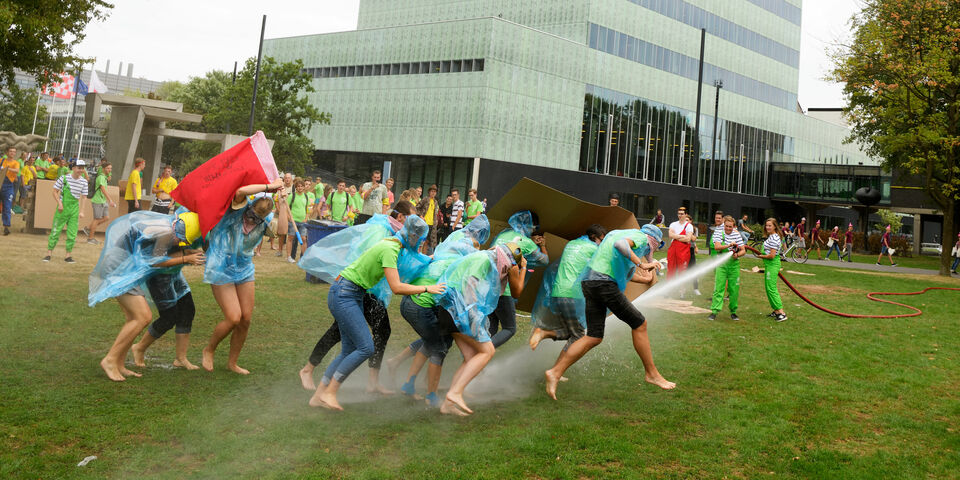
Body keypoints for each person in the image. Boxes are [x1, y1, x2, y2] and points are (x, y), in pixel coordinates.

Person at [308, 214, 443, 411]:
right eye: (420, 240)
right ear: (414, 237)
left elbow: (411, 261)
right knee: (366, 347)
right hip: (345, 293)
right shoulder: (390, 249)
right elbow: (396, 287)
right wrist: (426, 289)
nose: (420, 244)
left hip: (348, 292)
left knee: (348, 350)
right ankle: (330, 392)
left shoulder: (394, 244)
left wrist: (429, 259)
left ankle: (318, 395)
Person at [544, 225, 674, 401]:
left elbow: (624, 272)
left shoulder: (618, 234)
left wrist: (646, 275)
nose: (649, 251)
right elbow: (621, 245)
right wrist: (642, 263)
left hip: (590, 283)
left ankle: (555, 372)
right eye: (655, 246)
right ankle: (652, 374)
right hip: (603, 283)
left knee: (594, 336)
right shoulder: (639, 237)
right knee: (639, 323)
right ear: (652, 239)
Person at [89, 211, 204, 381]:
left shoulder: (169, 227)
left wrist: (186, 254)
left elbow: (156, 255)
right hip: (118, 268)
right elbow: (155, 262)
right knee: (143, 317)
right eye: (181, 239)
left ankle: (120, 364)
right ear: (177, 229)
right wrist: (185, 259)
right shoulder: (166, 232)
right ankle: (110, 360)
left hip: (124, 267)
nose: (179, 243)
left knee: (132, 318)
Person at [201, 178, 285, 374]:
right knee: (233, 317)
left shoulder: (264, 219)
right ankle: (209, 350)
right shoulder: (238, 208)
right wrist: (269, 187)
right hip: (221, 265)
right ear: (250, 206)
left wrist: (281, 200)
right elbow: (241, 190)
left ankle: (233, 363)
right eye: (252, 215)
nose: (252, 220)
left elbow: (282, 230)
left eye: (258, 218)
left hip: (244, 268)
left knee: (246, 318)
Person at [432, 242, 527, 415]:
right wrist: (474, 317)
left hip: (452, 310)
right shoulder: (484, 259)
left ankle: (447, 405)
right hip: (457, 310)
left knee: (471, 355)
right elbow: (470, 284)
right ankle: (455, 393)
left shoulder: (486, 258)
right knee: (487, 351)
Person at [529, 224, 607, 350]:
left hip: (558, 293)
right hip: (570, 295)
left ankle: (545, 337)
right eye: (601, 240)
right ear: (593, 237)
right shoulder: (593, 249)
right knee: (578, 335)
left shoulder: (572, 244)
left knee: (573, 332)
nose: (602, 244)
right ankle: (545, 337)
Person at [489, 211, 549, 347]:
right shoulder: (527, 243)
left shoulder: (503, 234)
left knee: (491, 327)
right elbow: (544, 261)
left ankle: (478, 360)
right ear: (529, 226)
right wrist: (542, 245)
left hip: (489, 287)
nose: (534, 231)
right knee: (509, 329)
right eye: (535, 228)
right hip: (505, 290)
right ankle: (483, 351)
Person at [43, 160, 88, 263]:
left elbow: (84, 197)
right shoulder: (63, 178)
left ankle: (68, 256)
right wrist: (59, 203)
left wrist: (82, 211)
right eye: (78, 167)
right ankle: (48, 253)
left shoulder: (84, 182)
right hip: (62, 208)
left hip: (74, 209)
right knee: (56, 230)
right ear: (73, 168)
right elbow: (54, 192)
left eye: (82, 168)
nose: (80, 170)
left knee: (72, 233)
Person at [708, 215, 746, 321]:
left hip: (734, 265)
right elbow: (717, 246)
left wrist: (737, 255)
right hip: (722, 265)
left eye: (730, 227)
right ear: (724, 225)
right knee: (718, 288)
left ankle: (733, 312)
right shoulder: (719, 233)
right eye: (727, 226)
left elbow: (743, 250)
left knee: (734, 290)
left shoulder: (737, 235)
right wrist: (729, 245)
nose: (728, 228)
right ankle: (714, 311)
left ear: (733, 226)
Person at [755, 218, 787, 322]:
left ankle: (781, 313)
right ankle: (776, 311)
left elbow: (772, 256)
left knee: (772, 288)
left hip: (772, 264)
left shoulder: (775, 238)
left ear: (774, 226)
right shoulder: (772, 236)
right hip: (769, 265)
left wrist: (760, 256)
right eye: (766, 225)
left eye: (770, 225)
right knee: (769, 288)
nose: (767, 227)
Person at [84, 161, 117, 244]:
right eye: (108, 168)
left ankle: (88, 228)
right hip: (98, 201)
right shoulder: (101, 177)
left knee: (106, 217)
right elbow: (103, 189)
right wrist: (110, 200)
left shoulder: (105, 177)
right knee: (97, 219)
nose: (110, 170)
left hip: (103, 200)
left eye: (111, 168)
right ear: (103, 169)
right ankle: (90, 239)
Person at [667, 208, 694, 297]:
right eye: (679, 213)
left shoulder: (689, 226)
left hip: (683, 251)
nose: (680, 215)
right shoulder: (673, 224)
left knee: (682, 270)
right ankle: (669, 291)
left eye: (682, 214)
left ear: (686, 214)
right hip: (673, 250)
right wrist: (682, 236)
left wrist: (676, 236)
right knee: (671, 269)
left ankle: (682, 292)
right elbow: (670, 235)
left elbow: (688, 239)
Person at [286, 178, 311, 262]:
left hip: (303, 222)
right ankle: (289, 257)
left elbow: (308, 209)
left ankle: (304, 258)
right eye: (298, 186)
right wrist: (289, 217)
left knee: (304, 239)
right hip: (293, 221)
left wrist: (306, 218)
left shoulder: (306, 196)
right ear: (296, 187)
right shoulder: (291, 196)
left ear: (304, 187)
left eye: (301, 186)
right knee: (291, 238)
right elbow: (286, 207)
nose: (300, 188)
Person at [416, 184, 441, 253]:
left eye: (434, 192)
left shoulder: (436, 202)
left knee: (428, 242)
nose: (433, 193)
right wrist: (421, 216)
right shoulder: (425, 199)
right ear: (429, 192)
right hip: (424, 223)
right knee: (421, 241)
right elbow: (416, 208)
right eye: (432, 191)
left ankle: (424, 255)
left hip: (432, 225)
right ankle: (419, 254)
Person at [1, 146, 20, 235]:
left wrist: (6, 169)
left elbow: (16, 170)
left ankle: (6, 227)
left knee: (7, 207)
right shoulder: (1, 160)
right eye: (11, 151)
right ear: (7, 152)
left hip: (8, 186)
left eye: (14, 152)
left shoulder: (16, 163)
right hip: (0, 183)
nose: (12, 153)